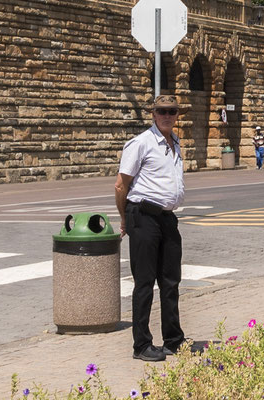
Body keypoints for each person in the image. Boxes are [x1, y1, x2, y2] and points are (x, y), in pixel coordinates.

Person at [114, 95, 186, 362]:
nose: (167, 115)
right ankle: (141, 345)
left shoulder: (175, 142)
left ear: (177, 114)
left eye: (172, 111)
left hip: (166, 218)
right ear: (153, 114)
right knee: (144, 282)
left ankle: (174, 339)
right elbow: (121, 185)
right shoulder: (141, 143)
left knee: (171, 281)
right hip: (143, 215)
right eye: (162, 111)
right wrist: (125, 219)